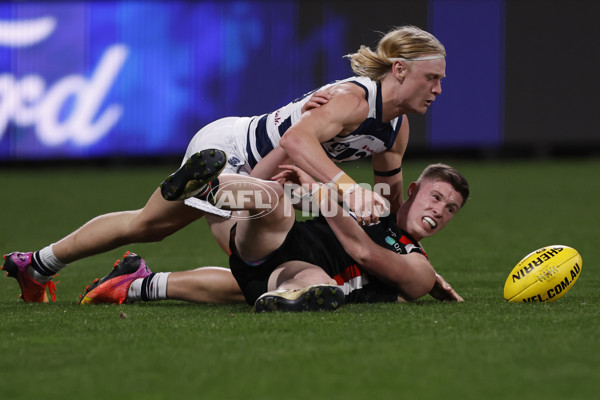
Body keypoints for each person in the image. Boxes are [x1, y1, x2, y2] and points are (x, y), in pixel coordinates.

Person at [2, 25, 447, 303]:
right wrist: (347, 188)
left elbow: (387, 214)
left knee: (154, 228)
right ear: (400, 70)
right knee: (262, 269)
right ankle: (213, 188)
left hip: (272, 176)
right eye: (432, 77)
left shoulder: (395, 130)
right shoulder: (354, 98)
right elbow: (295, 139)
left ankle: (38, 264)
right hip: (240, 151)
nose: (438, 88)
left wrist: (408, 262)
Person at [78, 153, 468, 311]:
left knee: (316, 285)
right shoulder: (374, 204)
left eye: (451, 209)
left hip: (287, 271)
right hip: (275, 240)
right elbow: (312, 202)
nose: (439, 211)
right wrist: (307, 187)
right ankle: (208, 187)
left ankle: (136, 283)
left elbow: (364, 252)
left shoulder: (419, 271)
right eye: (435, 198)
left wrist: (321, 194)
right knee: (277, 200)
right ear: (413, 192)